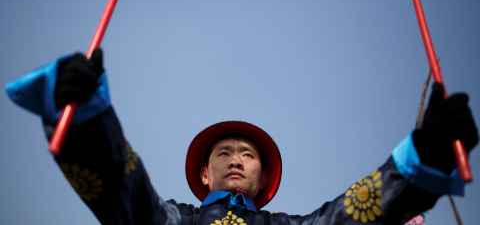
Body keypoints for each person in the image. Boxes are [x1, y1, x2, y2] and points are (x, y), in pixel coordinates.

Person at [6, 49, 478, 224]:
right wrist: (88, 118)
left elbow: (347, 217)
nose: (236, 159)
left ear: (262, 176)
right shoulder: (176, 218)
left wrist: (422, 160)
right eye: (225, 152)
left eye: (248, 154)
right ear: (203, 171)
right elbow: (126, 197)